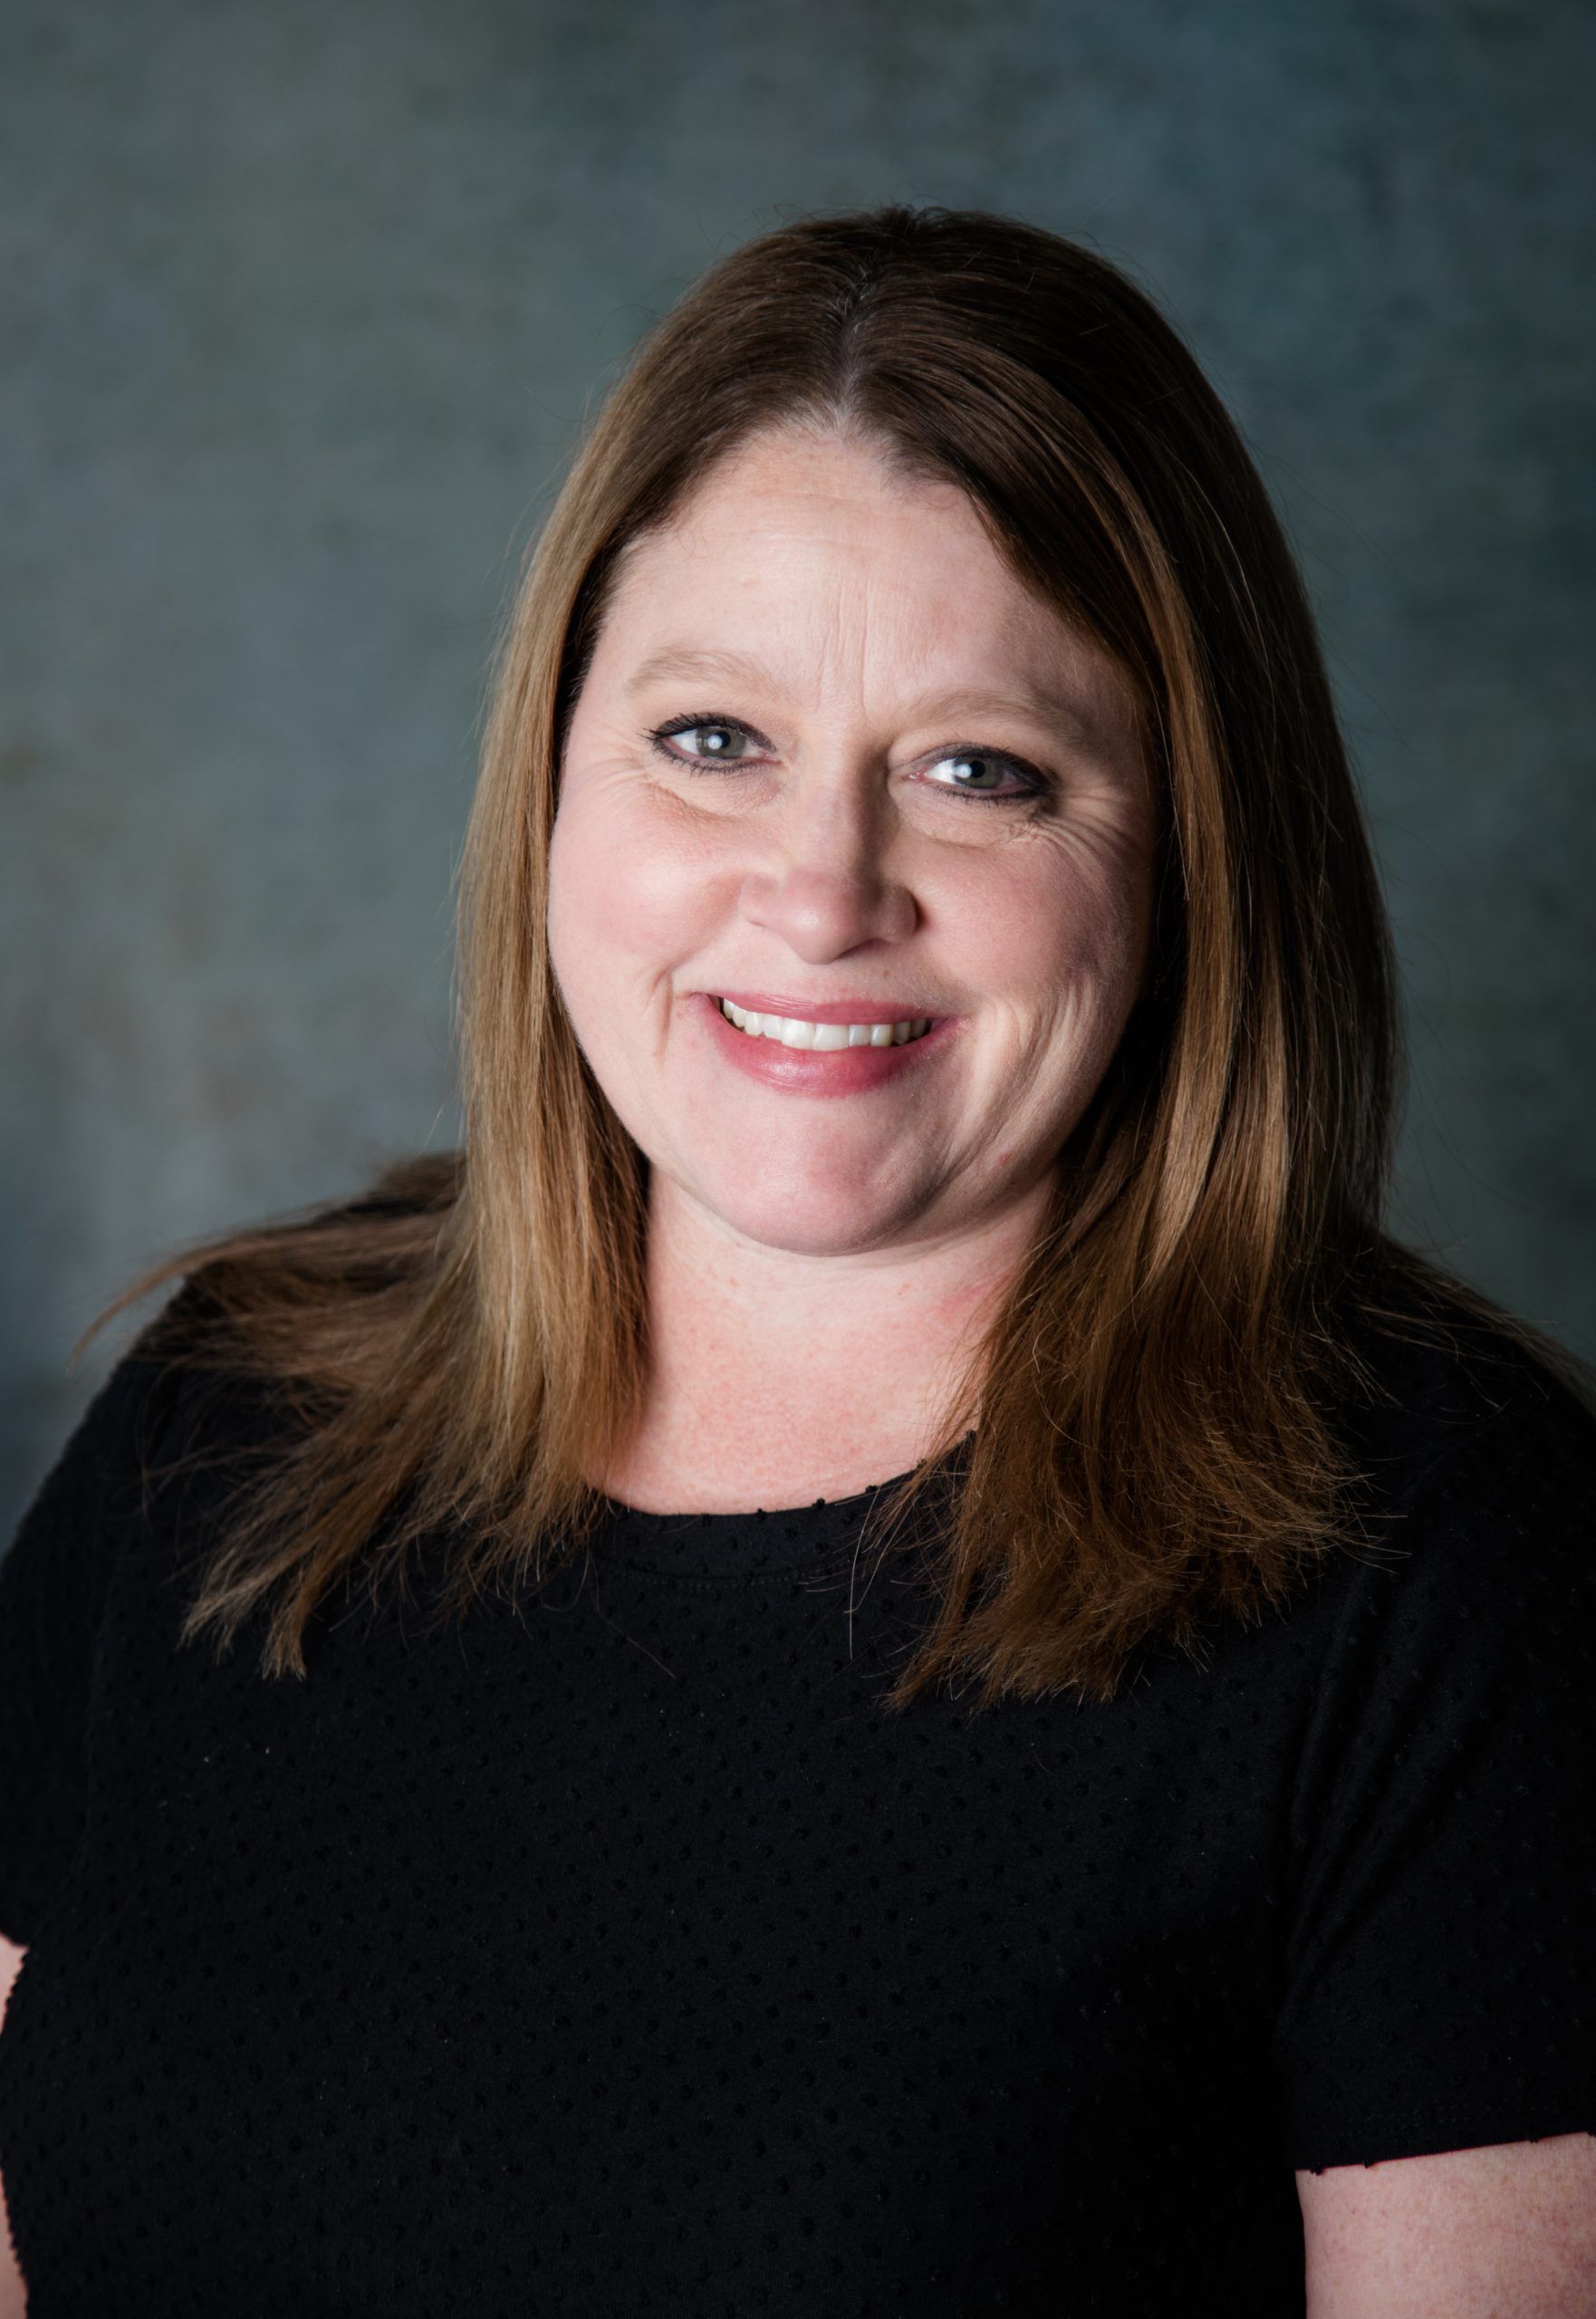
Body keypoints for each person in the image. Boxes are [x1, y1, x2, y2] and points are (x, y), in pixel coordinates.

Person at [0, 202, 1592, 2318]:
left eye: (977, 770)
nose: (822, 890)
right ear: (551, 773)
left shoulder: (1448, 1565)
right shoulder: (230, 1414)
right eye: (711, 739)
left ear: (1192, 848)